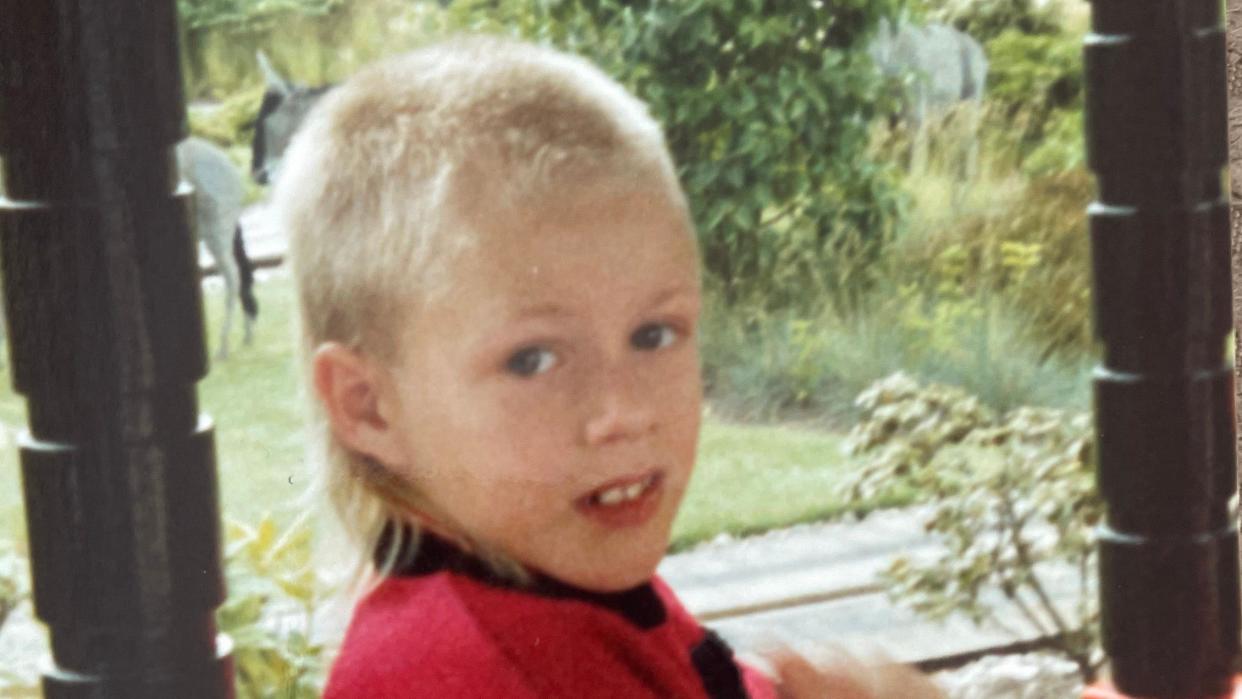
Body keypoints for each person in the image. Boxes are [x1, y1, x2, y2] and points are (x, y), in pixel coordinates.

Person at [272, 36, 944, 698]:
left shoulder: (543, 593)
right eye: (532, 359)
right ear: (369, 405)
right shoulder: (472, 672)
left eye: (653, 333)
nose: (622, 410)